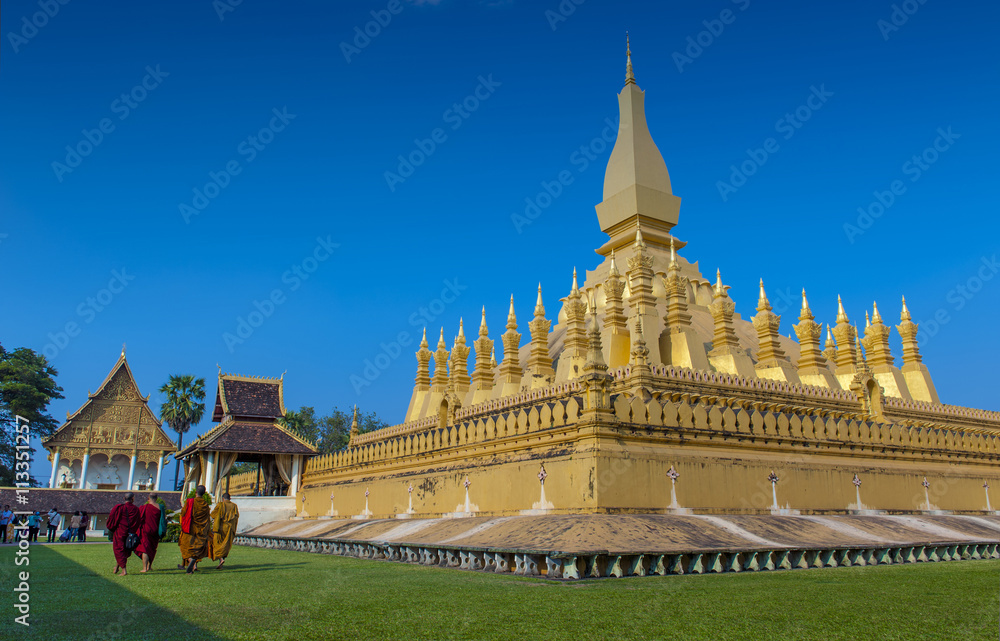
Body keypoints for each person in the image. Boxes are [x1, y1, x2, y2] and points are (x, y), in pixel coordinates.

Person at [178, 485, 212, 574]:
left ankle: (190, 559)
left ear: (196, 492)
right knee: (197, 548)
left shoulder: (190, 502)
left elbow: (183, 512)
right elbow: (207, 518)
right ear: (204, 493)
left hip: (190, 528)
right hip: (201, 530)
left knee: (185, 546)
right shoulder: (205, 504)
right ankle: (193, 565)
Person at [107, 493, 140, 576]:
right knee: (124, 550)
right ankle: (117, 567)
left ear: (124, 498)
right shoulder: (136, 509)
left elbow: (112, 520)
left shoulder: (119, 508)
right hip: (130, 532)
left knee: (120, 550)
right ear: (133, 499)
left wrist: (113, 529)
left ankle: (124, 570)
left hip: (120, 531)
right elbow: (138, 521)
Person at [134, 494, 163, 573]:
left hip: (145, 530)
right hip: (155, 531)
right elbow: (163, 520)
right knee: (152, 549)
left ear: (148, 499)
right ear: (156, 498)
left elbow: (138, 518)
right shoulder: (160, 507)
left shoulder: (144, 507)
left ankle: (144, 568)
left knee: (145, 549)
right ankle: (149, 566)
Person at [210, 493, 240, 569]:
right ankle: (221, 562)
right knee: (225, 545)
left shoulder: (220, 505)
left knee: (217, 544)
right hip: (229, 528)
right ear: (230, 499)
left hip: (220, 527)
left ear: (223, 498)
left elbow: (213, 515)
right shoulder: (234, 506)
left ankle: (221, 559)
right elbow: (236, 517)